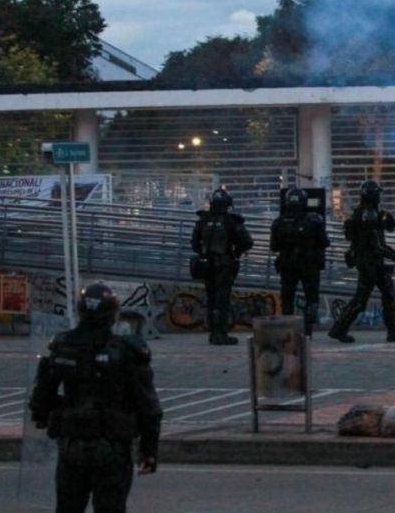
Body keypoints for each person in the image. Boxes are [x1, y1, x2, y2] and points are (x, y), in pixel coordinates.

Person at [28, 282, 163, 513]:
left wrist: (48, 417)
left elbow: (41, 398)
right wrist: (148, 451)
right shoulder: (126, 351)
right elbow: (148, 407)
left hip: (72, 446)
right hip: (112, 447)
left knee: (68, 507)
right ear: (112, 315)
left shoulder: (63, 345)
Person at [328, 180, 395, 343]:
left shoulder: (362, 212)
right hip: (371, 263)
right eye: (378, 194)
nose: (380, 197)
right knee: (362, 300)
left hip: (370, 262)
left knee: (388, 296)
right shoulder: (370, 215)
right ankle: (339, 329)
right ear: (373, 195)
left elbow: (380, 238)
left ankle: (393, 331)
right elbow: (377, 245)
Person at [192, 188, 255, 345]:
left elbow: (194, 244)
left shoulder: (203, 220)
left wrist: (204, 254)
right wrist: (236, 253)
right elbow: (247, 242)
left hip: (207, 266)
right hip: (224, 265)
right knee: (222, 301)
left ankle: (213, 334)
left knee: (212, 300)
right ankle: (221, 334)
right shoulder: (231, 221)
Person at [270, 186, 330, 334]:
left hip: (287, 264)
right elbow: (324, 241)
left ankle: (288, 330)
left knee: (287, 299)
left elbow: (274, 246)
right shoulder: (314, 220)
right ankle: (309, 326)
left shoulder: (279, 222)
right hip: (309, 264)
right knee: (311, 296)